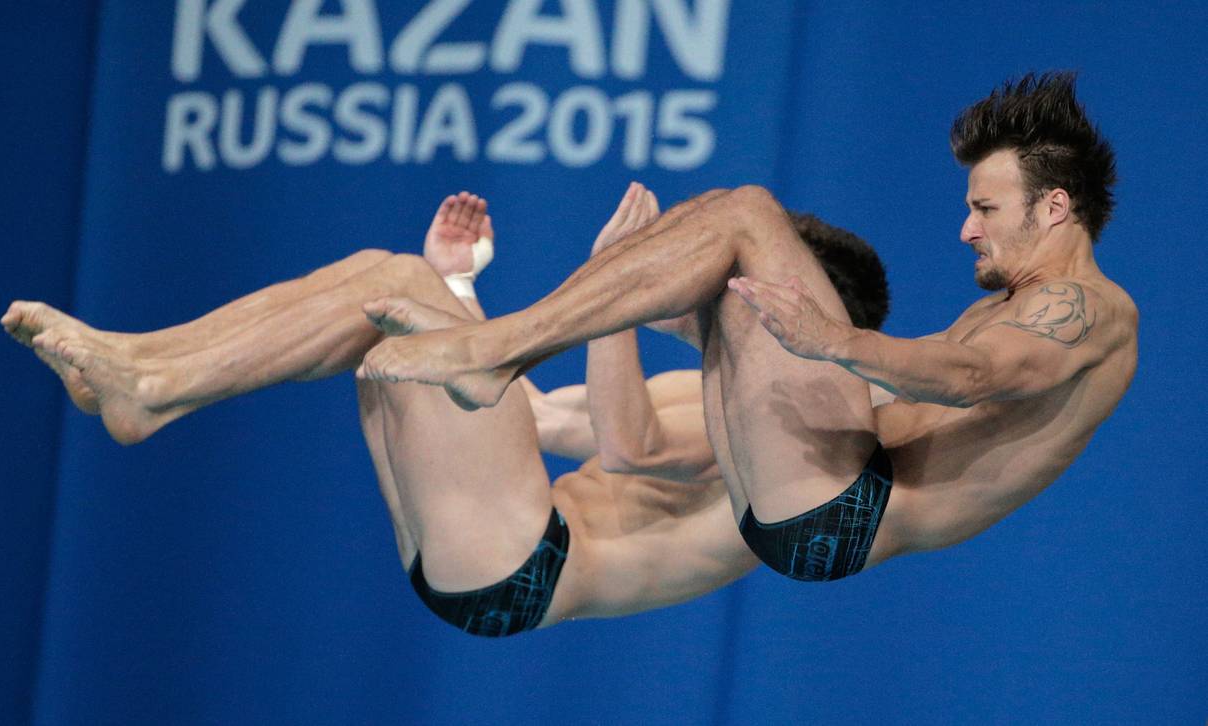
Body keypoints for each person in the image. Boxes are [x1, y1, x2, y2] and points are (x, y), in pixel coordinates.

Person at [2, 185, 890, 635]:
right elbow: (526, 417)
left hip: (526, 561)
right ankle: (149, 375)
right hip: (491, 553)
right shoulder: (693, 394)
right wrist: (459, 289)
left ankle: (154, 387)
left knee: (395, 286)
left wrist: (610, 299)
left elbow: (624, 447)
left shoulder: (776, 415)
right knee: (383, 285)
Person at [358, 71, 1139, 582]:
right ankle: (490, 343)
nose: (967, 230)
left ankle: (497, 351)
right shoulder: (1007, 305)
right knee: (725, 258)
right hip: (819, 500)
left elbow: (975, 378)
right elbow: (894, 394)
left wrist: (830, 342)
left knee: (747, 214)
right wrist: (462, 288)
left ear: (1055, 206)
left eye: (985, 209)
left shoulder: (1089, 310)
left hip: (849, 509)